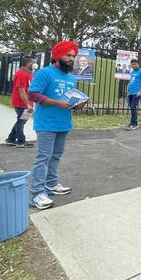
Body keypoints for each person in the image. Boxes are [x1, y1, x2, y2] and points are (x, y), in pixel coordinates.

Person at [27, 41, 87, 209]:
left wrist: (78, 105)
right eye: (68, 55)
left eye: (73, 56)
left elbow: (68, 99)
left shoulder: (71, 78)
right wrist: (57, 103)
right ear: (57, 56)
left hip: (64, 123)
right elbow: (32, 94)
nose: (71, 58)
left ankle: (51, 184)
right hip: (46, 123)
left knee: (56, 156)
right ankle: (36, 194)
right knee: (43, 157)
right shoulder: (44, 73)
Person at [5, 56, 38, 148]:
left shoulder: (29, 73)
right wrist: (27, 104)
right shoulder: (21, 74)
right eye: (33, 62)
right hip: (22, 103)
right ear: (28, 64)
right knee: (21, 122)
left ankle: (11, 139)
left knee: (20, 121)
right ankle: (21, 141)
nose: (35, 64)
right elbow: (21, 90)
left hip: (26, 103)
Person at [125, 59, 141, 130]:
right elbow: (131, 81)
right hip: (131, 92)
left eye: (135, 64)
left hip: (136, 93)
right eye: (132, 64)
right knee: (132, 108)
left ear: (138, 64)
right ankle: (133, 122)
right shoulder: (132, 72)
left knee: (133, 107)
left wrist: (140, 91)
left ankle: (134, 124)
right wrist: (128, 91)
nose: (134, 65)